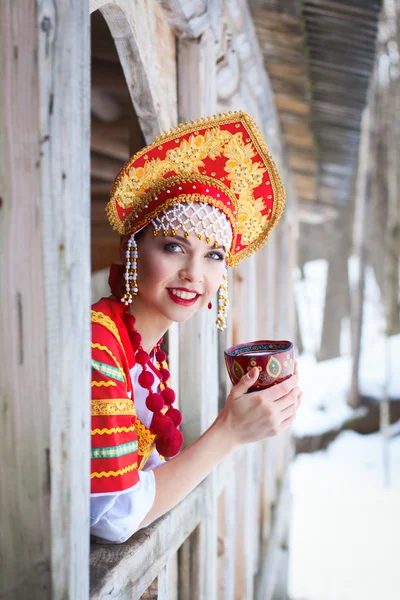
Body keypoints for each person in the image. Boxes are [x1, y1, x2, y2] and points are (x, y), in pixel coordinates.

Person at [90, 111, 301, 543]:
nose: (194, 273)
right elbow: (113, 518)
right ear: (134, 249)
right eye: (174, 247)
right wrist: (229, 433)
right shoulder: (97, 345)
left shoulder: (145, 355)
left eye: (214, 256)